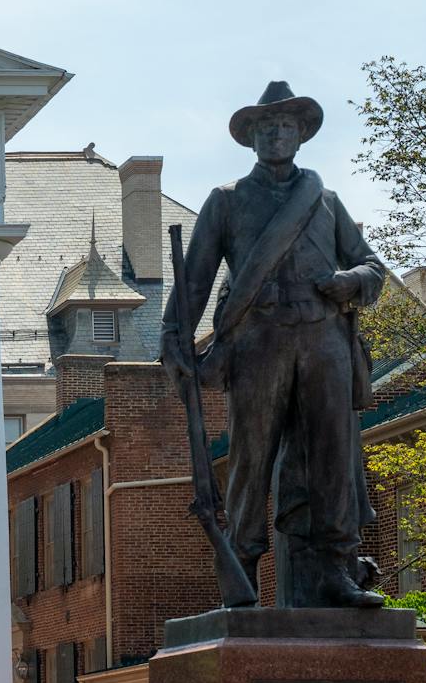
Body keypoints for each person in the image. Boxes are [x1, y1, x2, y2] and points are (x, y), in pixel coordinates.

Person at [162, 81, 387, 609]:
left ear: (301, 135)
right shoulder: (227, 201)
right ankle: (240, 573)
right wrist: (174, 343)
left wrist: (351, 282)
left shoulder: (326, 201)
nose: (276, 135)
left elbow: (372, 264)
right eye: (266, 128)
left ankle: (338, 570)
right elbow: (194, 282)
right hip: (258, 338)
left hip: (324, 336)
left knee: (332, 455)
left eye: (286, 126)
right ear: (252, 138)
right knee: (250, 457)